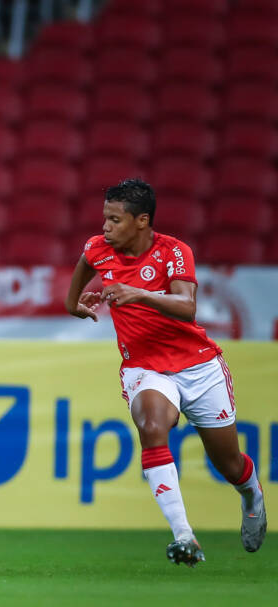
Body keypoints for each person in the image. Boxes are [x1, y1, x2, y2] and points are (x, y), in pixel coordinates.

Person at [65, 178, 266, 566]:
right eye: (105, 218)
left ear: (141, 221)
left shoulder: (173, 251)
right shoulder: (98, 248)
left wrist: (139, 293)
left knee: (229, 464)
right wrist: (75, 305)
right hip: (145, 366)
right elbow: (83, 270)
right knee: (152, 426)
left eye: (115, 220)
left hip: (198, 366)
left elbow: (187, 307)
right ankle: (184, 536)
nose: (105, 227)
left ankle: (251, 493)